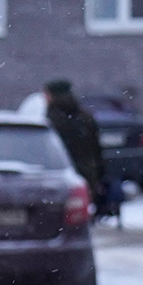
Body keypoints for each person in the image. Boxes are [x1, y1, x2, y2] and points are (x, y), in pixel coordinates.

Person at [43, 79, 110, 219]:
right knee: (81, 220)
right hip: (87, 174)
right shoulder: (85, 117)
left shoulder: (50, 119)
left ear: (53, 95)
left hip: (60, 177)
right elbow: (97, 149)